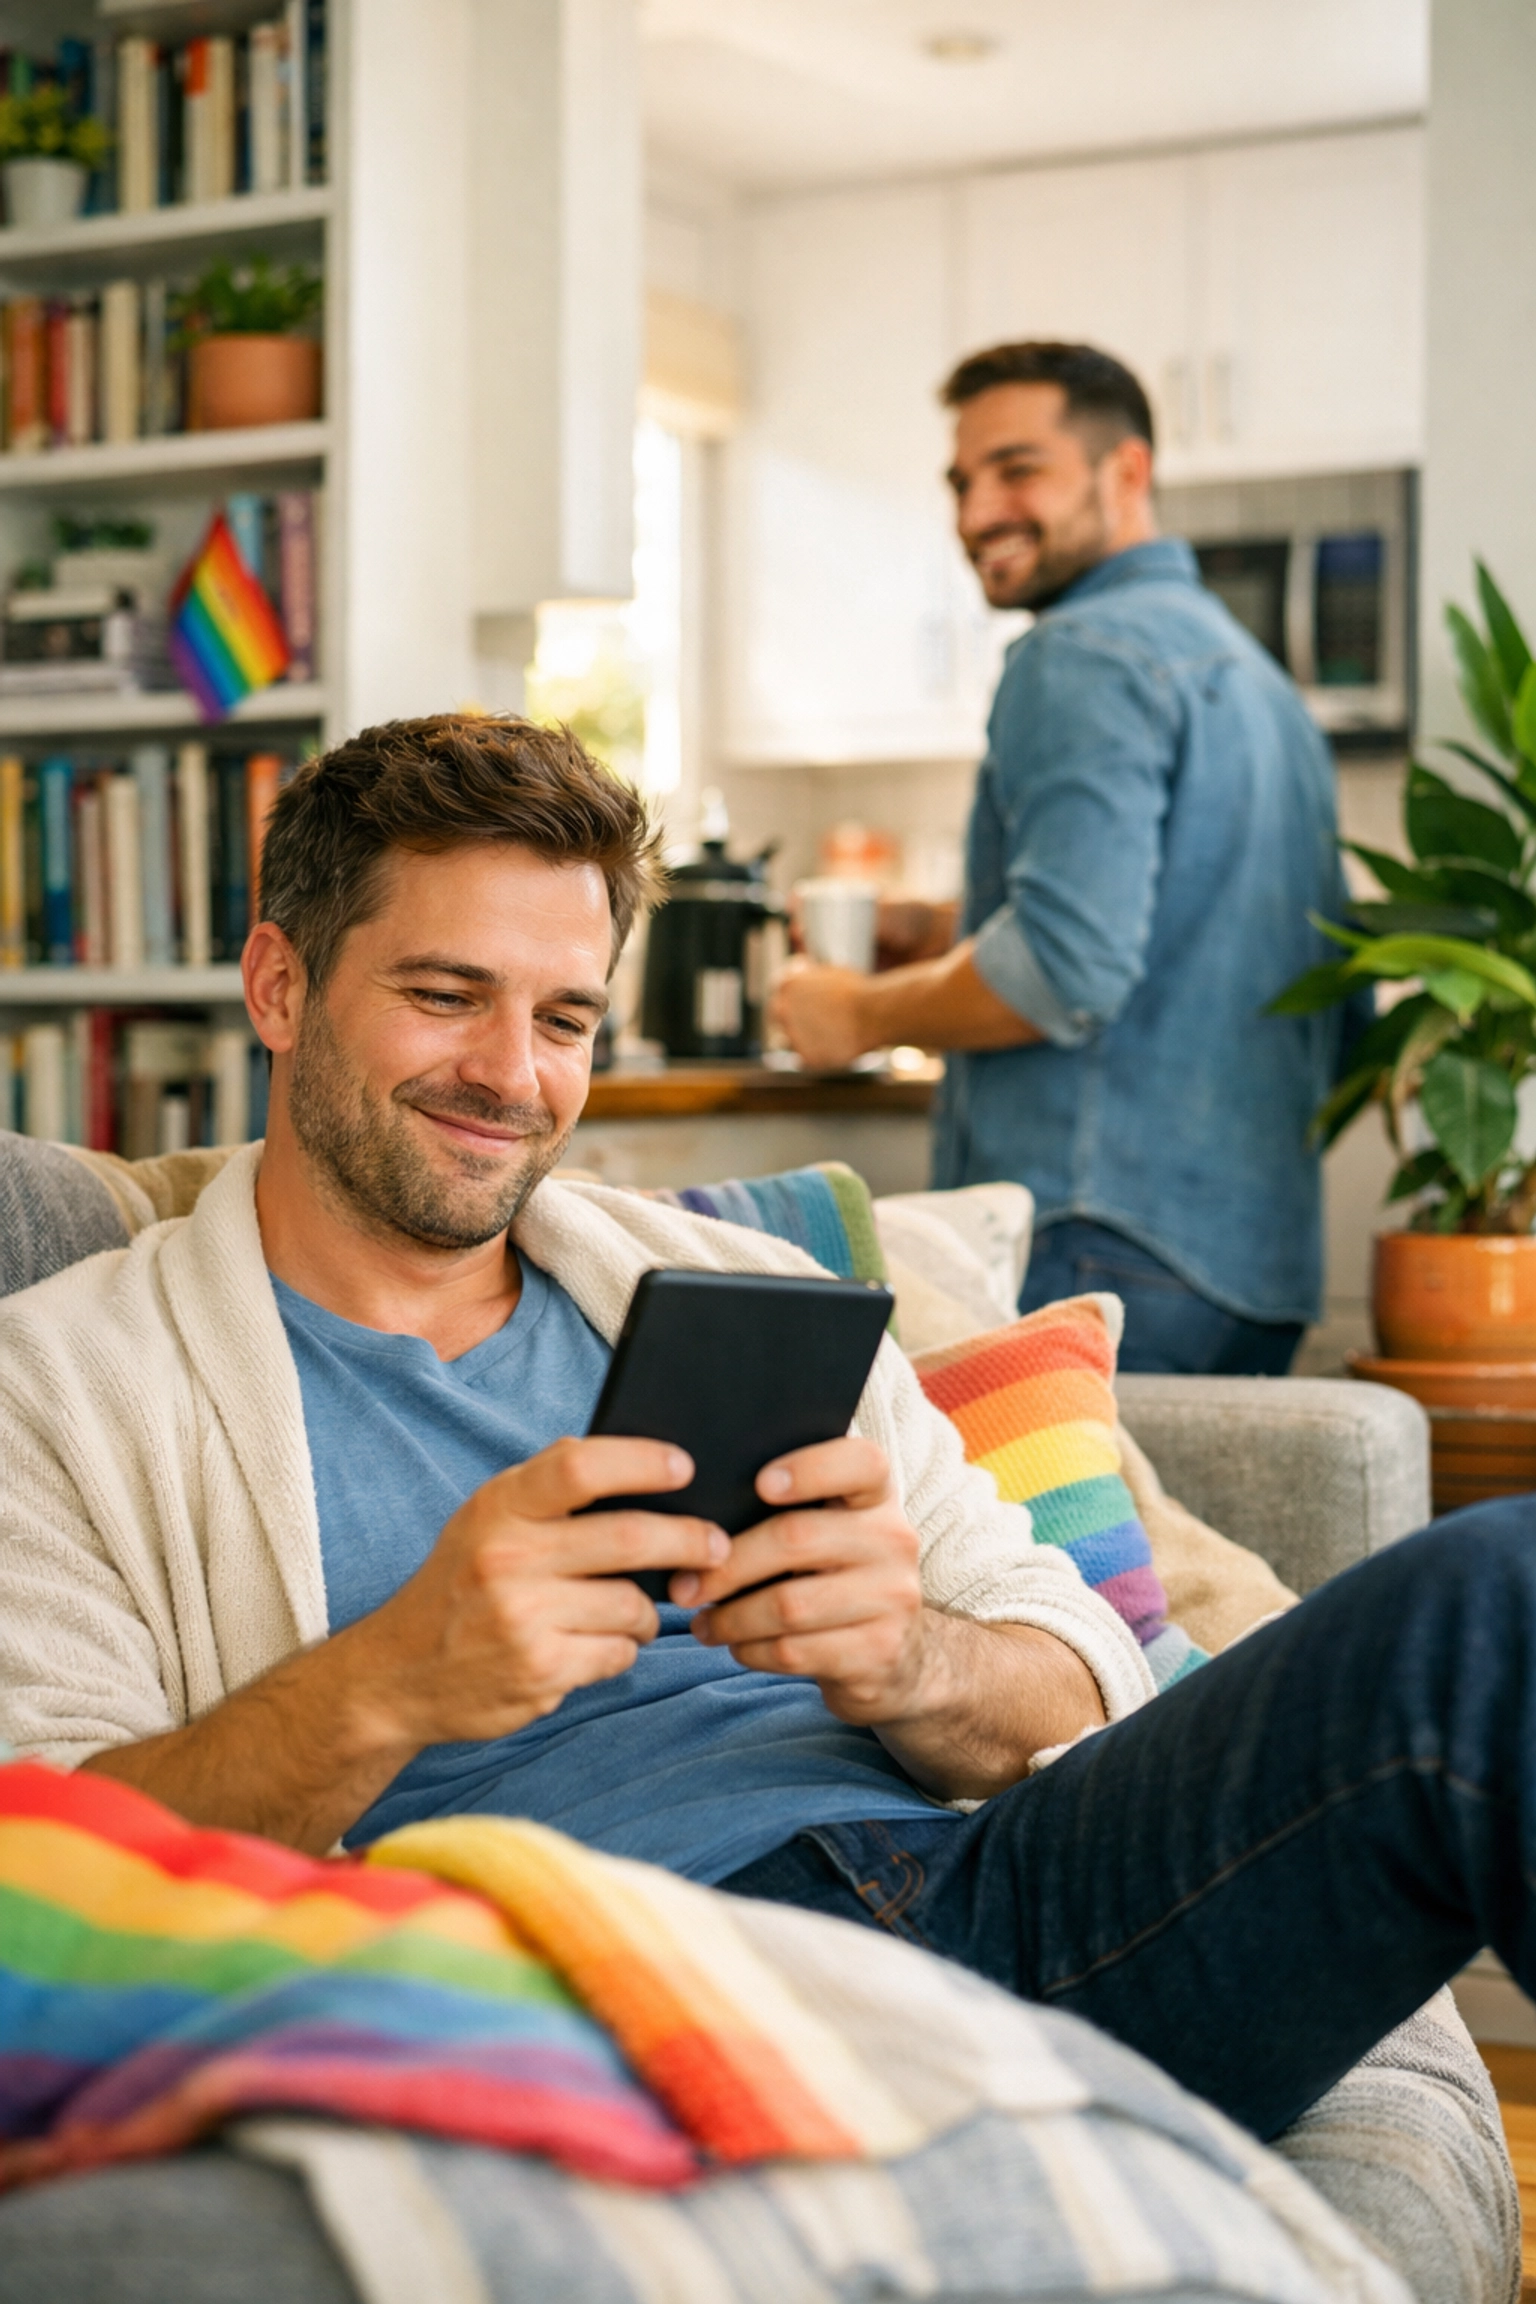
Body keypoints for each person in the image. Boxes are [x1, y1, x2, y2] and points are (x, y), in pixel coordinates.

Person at [0, 715, 1530, 2149]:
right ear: (279, 985)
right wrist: (397, 1679)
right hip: (587, 1993)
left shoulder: (744, 1292)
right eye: (444, 994)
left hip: (1004, 1904)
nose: (513, 1078)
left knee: (1496, 1603)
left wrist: (909, 1658)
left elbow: (1072, 1657)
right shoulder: (67, 1383)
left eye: (566, 1017)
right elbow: (48, 1886)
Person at [772, 341, 1363, 1377]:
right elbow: (1290, 985)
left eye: (1019, 470)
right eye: (962, 481)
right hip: (1255, 1267)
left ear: (1124, 472)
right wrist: (945, 927)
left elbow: (1065, 967)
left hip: (1096, 1247)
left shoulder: (1078, 656)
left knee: (1040, 1547)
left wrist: (857, 1014)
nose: (973, 514)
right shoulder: (1266, 688)